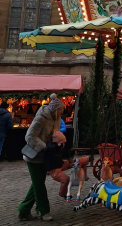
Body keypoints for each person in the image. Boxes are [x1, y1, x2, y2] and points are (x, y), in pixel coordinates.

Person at [18, 93, 64, 221]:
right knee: (39, 185)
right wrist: (44, 146)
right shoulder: (41, 118)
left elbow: (54, 134)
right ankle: (43, 211)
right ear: (55, 109)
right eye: (60, 110)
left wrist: (58, 142)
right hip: (34, 156)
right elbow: (29, 136)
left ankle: (24, 210)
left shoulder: (57, 118)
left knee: (37, 184)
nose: (62, 112)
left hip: (45, 156)